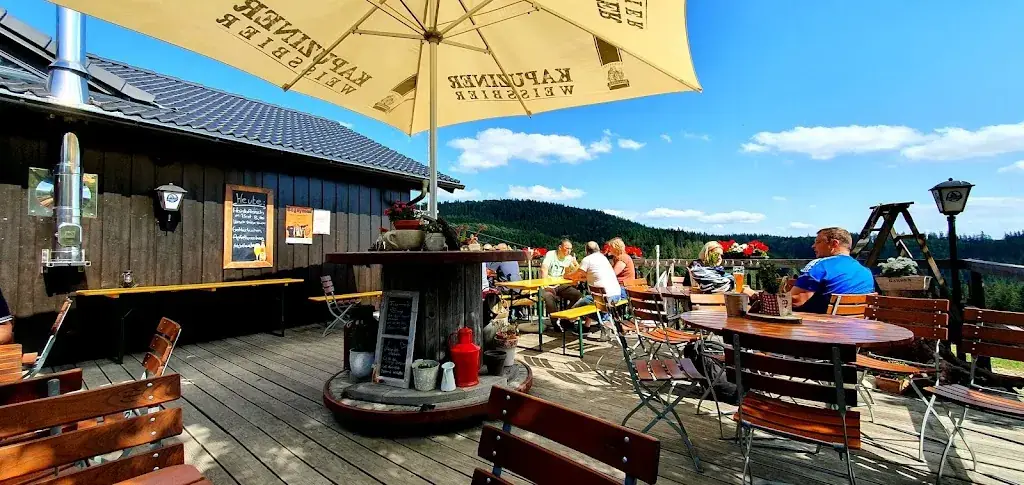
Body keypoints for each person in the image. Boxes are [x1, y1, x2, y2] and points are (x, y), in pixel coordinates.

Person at [788, 227, 874, 313]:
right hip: (858, 323)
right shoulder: (866, 272)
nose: (813, 246)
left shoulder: (820, 265)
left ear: (834, 243)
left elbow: (796, 301)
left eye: (818, 242)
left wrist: (776, 297)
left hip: (821, 324)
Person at [565, 241, 622, 334]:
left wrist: (566, 276)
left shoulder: (587, 260)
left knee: (577, 308)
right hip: (616, 295)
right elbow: (590, 275)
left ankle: (570, 325)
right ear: (598, 249)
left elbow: (577, 275)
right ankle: (587, 327)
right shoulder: (603, 258)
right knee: (589, 300)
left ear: (586, 250)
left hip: (602, 298)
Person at [540, 239, 582, 330]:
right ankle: (556, 323)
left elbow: (579, 271)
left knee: (577, 295)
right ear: (560, 247)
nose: (569, 251)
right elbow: (544, 268)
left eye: (571, 249)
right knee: (549, 298)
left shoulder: (569, 258)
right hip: (549, 284)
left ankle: (565, 317)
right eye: (567, 248)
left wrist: (575, 263)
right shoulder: (551, 254)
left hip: (561, 284)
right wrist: (545, 284)